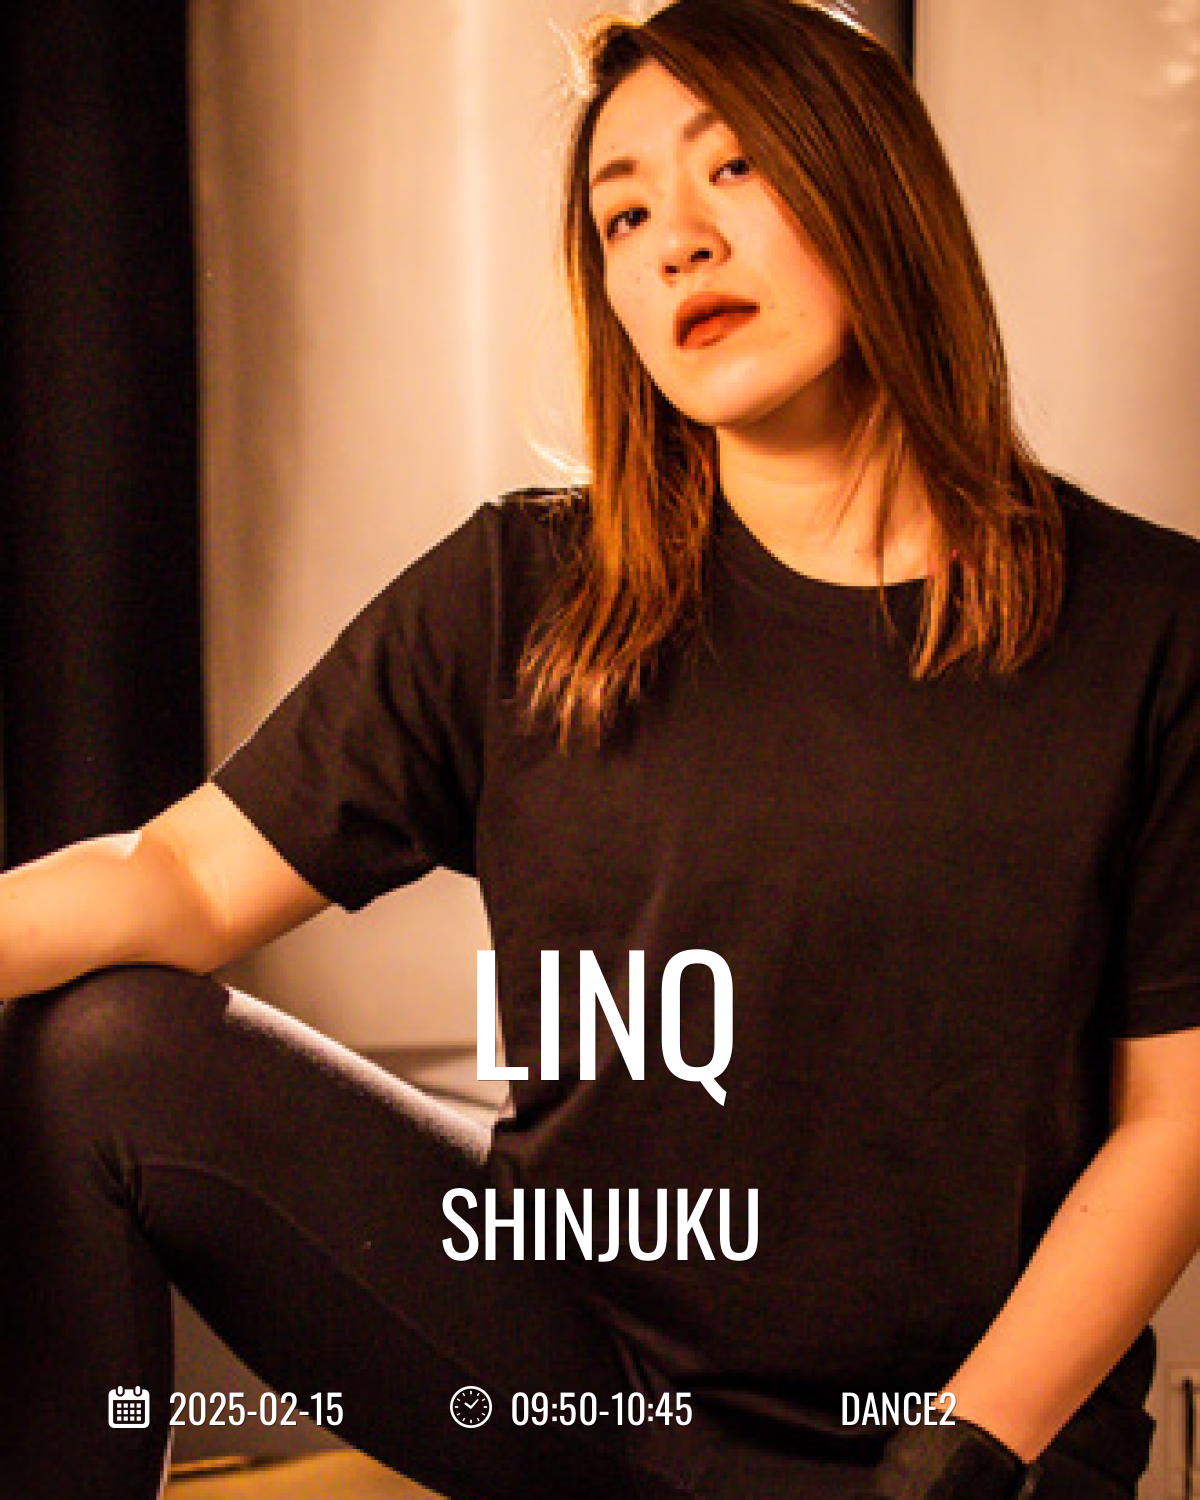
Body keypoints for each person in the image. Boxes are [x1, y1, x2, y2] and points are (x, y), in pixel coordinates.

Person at [0, 1, 1196, 1496]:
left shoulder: (1153, 626)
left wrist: (963, 1455)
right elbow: (180, 876)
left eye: (734, 167)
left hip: (954, 1434)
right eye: (623, 215)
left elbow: (1176, 1120)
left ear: (872, 183)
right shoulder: (523, 593)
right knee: (99, 1049)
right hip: (597, 1395)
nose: (675, 240)